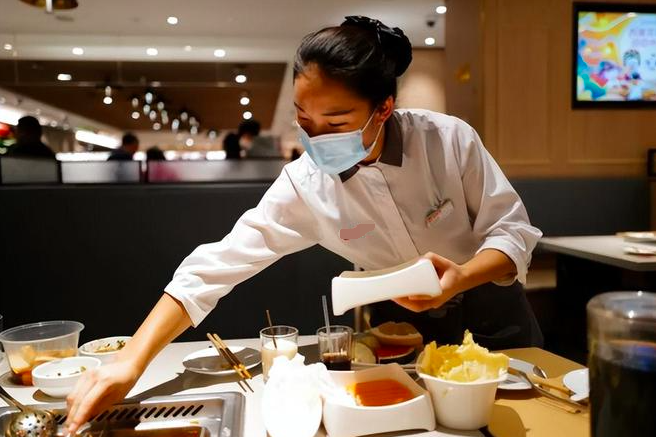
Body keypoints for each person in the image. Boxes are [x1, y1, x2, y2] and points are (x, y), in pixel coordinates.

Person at [65, 16, 542, 433]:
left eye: (335, 124)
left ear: (384, 108)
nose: (315, 139)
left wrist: (461, 276)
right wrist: (130, 362)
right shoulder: (304, 185)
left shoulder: (447, 140)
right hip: (403, 336)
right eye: (303, 120)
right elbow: (214, 268)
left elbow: (512, 231)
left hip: (494, 322)